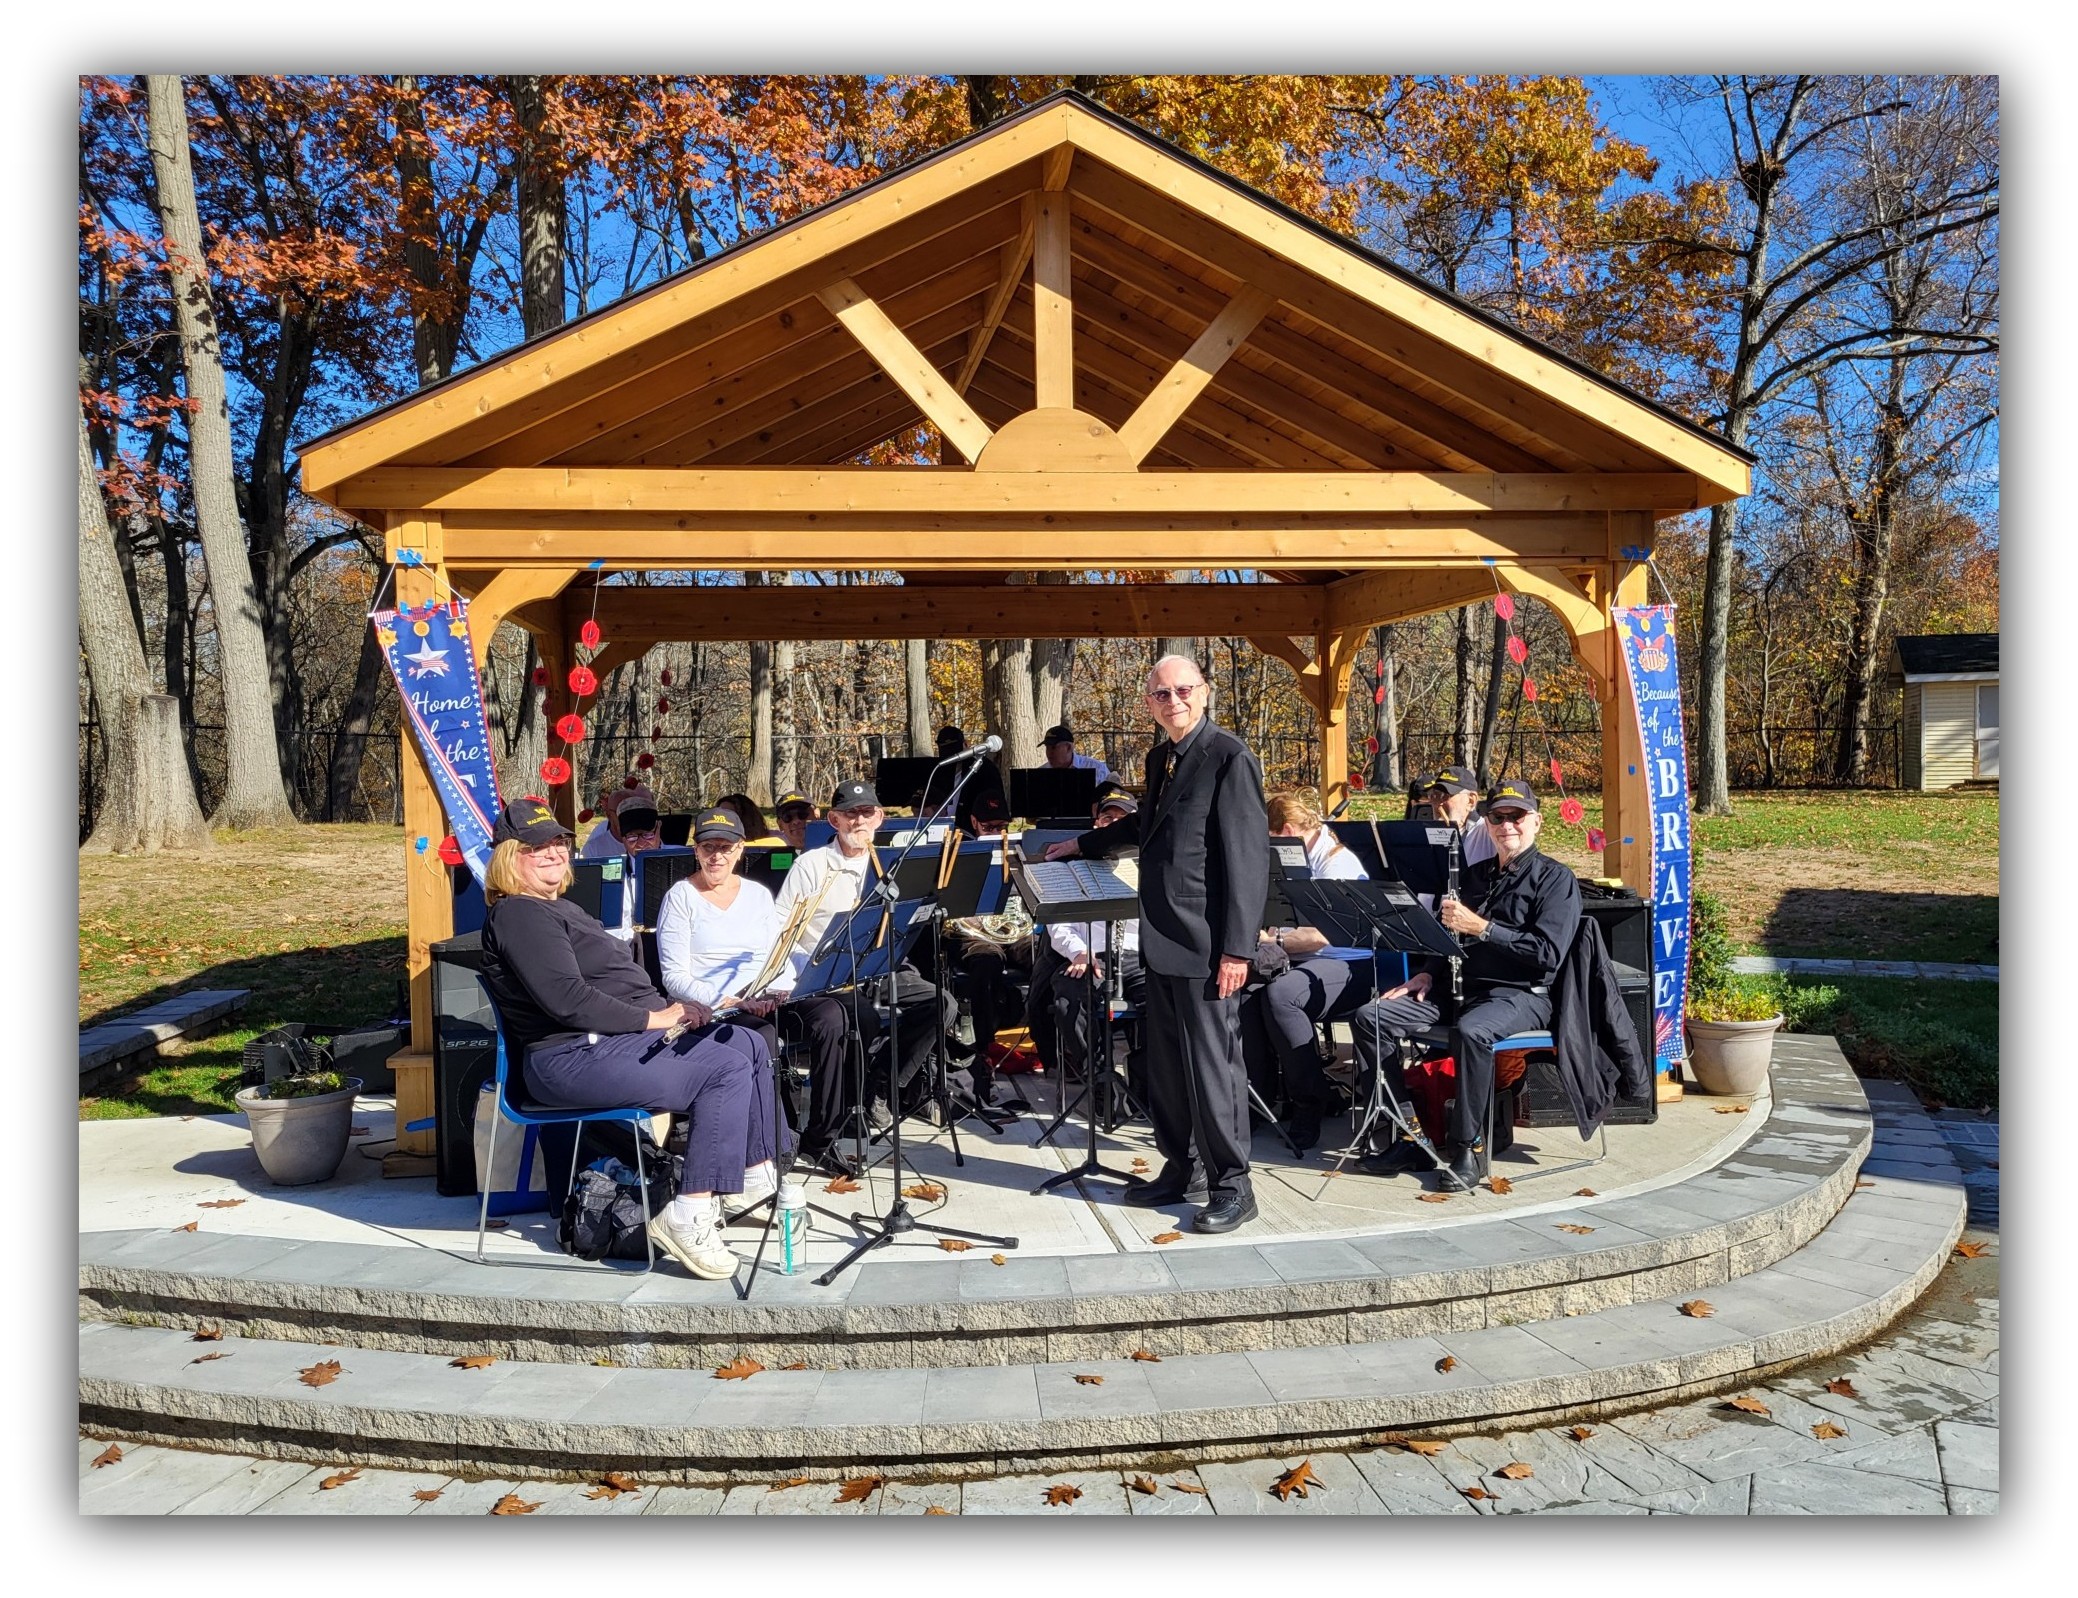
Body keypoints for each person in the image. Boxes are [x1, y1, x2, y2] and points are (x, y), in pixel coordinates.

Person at [476, 795, 778, 1281]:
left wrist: (677, 1011)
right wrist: (658, 1019)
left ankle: (751, 1176)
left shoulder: (556, 908)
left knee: (746, 1042)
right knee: (722, 1067)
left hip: (606, 1045)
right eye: (538, 847)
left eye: (558, 841)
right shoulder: (519, 914)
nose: (554, 852)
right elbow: (568, 1000)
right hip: (570, 1058)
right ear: (510, 856)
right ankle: (691, 1212)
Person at [1047, 653, 1269, 1234]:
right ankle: (1183, 1167)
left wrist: (1237, 950)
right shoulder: (1161, 756)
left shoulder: (1229, 757)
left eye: (1183, 690)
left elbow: (1247, 861)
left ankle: (1233, 1185)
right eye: (1161, 694)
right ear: (1150, 704)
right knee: (1167, 1066)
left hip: (1208, 947)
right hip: (1161, 939)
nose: (1174, 701)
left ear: (1206, 692)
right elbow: (1148, 824)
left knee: (1212, 1068)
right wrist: (1080, 846)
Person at [1348, 779, 1581, 1191]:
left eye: (1517, 816)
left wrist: (1484, 928)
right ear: (1488, 824)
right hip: (1458, 987)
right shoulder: (1473, 876)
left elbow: (1547, 954)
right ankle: (1410, 1133)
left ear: (1537, 822)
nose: (1507, 824)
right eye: (1498, 817)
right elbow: (1447, 940)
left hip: (1519, 993)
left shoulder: (1555, 879)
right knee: (1372, 1016)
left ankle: (1468, 1146)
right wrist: (1426, 972)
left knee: (1472, 1032)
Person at [772, 778, 950, 1140]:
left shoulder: (893, 864)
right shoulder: (811, 865)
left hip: (883, 966)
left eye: (866, 813)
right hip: (829, 972)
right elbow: (778, 930)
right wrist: (804, 971)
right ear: (834, 821)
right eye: (849, 815)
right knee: (862, 1018)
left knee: (941, 1004)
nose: (858, 822)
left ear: (880, 817)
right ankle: (840, 1117)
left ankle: (881, 1084)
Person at [1241, 788, 1374, 1152]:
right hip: (1304, 960)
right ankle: (1261, 1101)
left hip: (1351, 965)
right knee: (1247, 991)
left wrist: (1273, 941)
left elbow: (1320, 936)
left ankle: (1310, 1103)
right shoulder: (1298, 857)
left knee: (1282, 995)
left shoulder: (1336, 863)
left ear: (1285, 831)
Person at [1027, 789, 1146, 1102]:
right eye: (1107, 818)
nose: (1112, 826)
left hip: (1136, 954)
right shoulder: (1071, 861)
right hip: (1089, 954)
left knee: (1165, 1003)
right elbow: (1057, 922)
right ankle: (1100, 1076)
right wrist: (1078, 951)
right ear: (1096, 822)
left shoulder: (1147, 865)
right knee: (1068, 1003)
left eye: (1121, 821)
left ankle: (1144, 1080)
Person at [920, 725, 1006, 837]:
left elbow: (994, 804)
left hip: (973, 829)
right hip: (943, 829)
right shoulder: (940, 769)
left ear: (965, 744)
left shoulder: (984, 769)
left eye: (953, 749)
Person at [1425, 765, 1496, 872]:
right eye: (1434, 795)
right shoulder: (1426, 836)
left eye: (1445, 795)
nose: (1437, 803)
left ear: (1471, 801)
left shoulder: (1489, 834)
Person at [579, 782, 663, 862]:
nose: (641, 843)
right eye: (620, 811)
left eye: (647, 834)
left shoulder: (669, 850)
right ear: (609, 814)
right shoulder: (593, 848)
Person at [1039, 723, 1115, 788]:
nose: (1049, 753)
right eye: (1047, 748)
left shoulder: (1097, 769)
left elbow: (1111, 799)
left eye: (1053, 747)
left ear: (1068, 748)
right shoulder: (1040, 774)